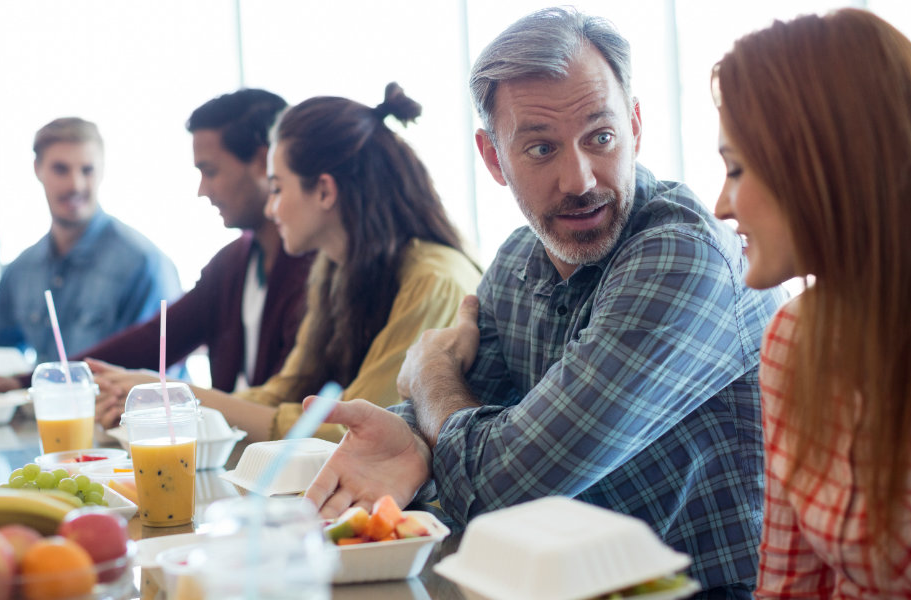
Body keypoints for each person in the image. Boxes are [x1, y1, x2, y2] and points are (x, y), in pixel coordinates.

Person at [304, 8, 785, 597]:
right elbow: (477, 434)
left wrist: (430, 378)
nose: (579, 178)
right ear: (492, 158)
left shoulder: (681, 256)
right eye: (540, 149)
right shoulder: (519, 260)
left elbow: (508, 485)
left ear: (635, 125)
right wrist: (411, 437)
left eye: (600, 137)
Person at [713, 9, 911, 597]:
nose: (721, 205)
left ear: (824, 166)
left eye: (736, 169)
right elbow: (786, 584)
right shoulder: (790, 339)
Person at [106, 83, 482, 443]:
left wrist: (182, 396)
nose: (272, 207)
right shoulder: (334, 270)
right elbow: (283, 394)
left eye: (277, 189)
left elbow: (354, 427)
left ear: (323, 190)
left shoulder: (435, 280)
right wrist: (172, 396)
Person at [0, 91, 315, 431]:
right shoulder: (232, 264)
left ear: (262, 162)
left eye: (209, 171)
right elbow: (147, 342)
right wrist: (27, 381)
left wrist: (165, 395)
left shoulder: (315, 271)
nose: (202, 190)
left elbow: (285, 405)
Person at [0, 117, 182, 365]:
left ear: (102, 171)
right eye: (61, 169)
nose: (75, 184)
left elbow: (156, 379)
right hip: (43, 403)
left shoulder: (142, 264)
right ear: (38, 169)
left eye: (87, 170)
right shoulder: (23, 269)